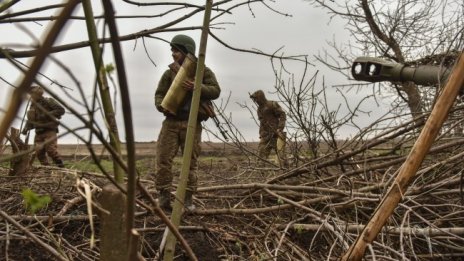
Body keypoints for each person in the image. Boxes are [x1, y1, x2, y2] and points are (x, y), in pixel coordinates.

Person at [154, 34, 221, 211]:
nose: (173, 54)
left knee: (189, 163)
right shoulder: (170, 73)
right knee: (163, 160)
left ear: (186, 51)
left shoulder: (202, 71)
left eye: (176, 50)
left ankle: (188, 199)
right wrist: (161, 107)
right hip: (171, 123)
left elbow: (215, 90)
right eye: (172, 50)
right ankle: (163, 197)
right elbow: (159, 95)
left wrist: (197, 86)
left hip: (192, 123)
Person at [21, 86, 65, 168]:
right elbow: (30, 120)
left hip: (49, 131)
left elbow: (61, 110)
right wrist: (25, 129)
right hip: (38, 132)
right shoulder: (32, 106)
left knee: (51, 151)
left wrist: (47, 114)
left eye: (32, 94)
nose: (31, 96)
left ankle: (62, 168)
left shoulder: (48, 101)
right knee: (39, 152)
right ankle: (47, 171)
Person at [250, 90, 287, 166]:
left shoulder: (272, 104)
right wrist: (261, 134)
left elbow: (282, 115)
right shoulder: (259, 109)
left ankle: (289, 174)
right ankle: (261, 175)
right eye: (254, 99)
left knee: (281, 159)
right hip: (265, 136)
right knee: (260, 158)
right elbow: (262, 123)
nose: (255, 101)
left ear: (260, 97)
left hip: (276, 135)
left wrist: (280, 128)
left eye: (256, 98)